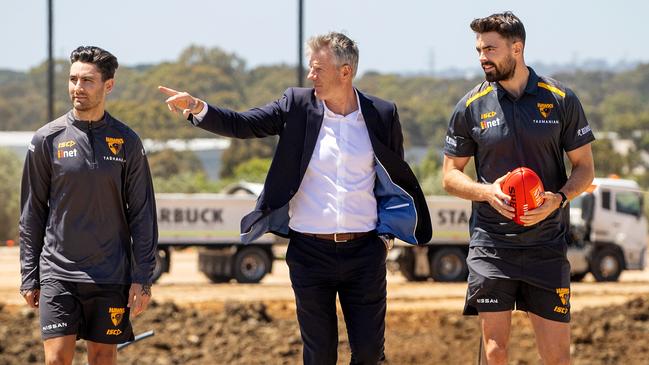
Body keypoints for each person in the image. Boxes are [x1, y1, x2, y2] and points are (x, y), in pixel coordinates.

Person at [159, 32, 431, 365]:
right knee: (319, 355)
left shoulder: (382, 114)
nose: (310, 76)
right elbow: (244, 124)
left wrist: (385, 239)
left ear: (345, 72)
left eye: (318, 69)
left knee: (370, 354)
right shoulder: (297, 105)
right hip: (309, 254)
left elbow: (394, 181)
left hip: (365, 254)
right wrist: (197, 108)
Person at [442, 12, 595, 365]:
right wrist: (486, 192)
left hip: (546, 245)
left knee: (557, 357)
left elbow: (585, 168)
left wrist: (558, 199)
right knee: (495, 353)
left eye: (490, 48)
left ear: (517, 47)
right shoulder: (470, 106)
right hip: (492, 247)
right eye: (479, 49)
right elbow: (450, 175)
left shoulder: (560, 99)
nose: (482, 56)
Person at [19, 46, 158, 365]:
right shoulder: (46, 139)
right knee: (56, 359)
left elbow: (142, 213)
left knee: (101, 359)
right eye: (73, 79)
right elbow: (32, 212)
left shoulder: (126, 141)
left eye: (87, 81)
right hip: (58, 272)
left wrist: (142, 277)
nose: (77, 88)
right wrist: (29, 274)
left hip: (110, 275)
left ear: (108, 85)